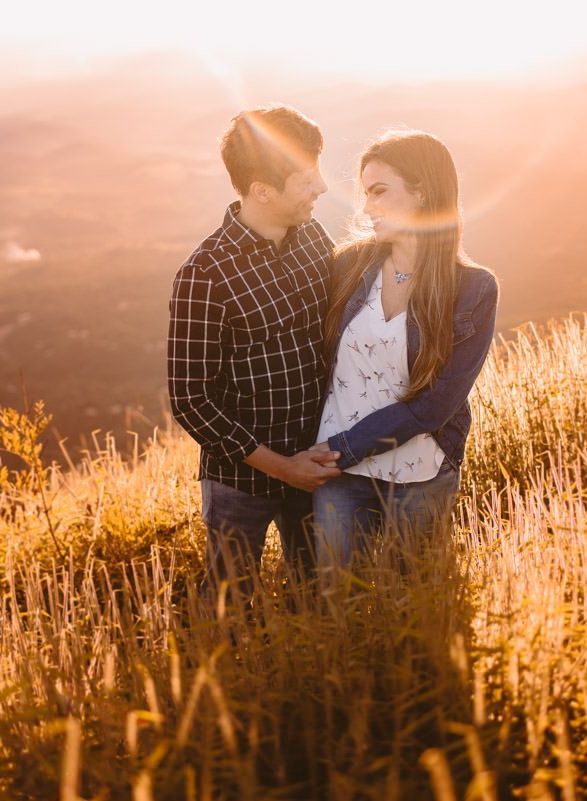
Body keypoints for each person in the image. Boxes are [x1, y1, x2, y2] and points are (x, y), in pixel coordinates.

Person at [168, 105, 340, 602]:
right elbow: (191, 400)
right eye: (307, 179)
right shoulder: (205, 275)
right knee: (229, 602)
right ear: (262, 191)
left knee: (319, 594)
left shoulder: (314, 239)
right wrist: (282, 467)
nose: (322, 189)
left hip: (318, 464)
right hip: (239, 481)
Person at [313, 130, 498, 572]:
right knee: (338, 608)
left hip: (419, 473)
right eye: (364, 193)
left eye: (379, 192)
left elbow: (433, 405)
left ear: (422, 191)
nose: (366, 207)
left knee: (416, 606)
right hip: (339, 477)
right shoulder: (347, 266)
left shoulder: (473, 289)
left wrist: (342, 448)